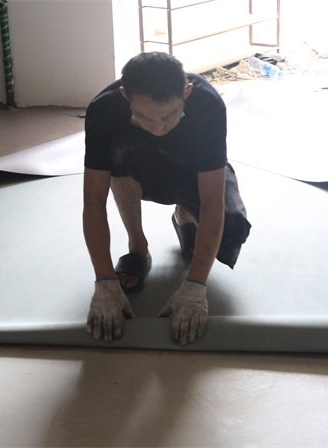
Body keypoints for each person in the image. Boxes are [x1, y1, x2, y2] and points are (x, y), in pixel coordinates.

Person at [83, 52, 251, 346]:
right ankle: (138, 247)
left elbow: (212, 201)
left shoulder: (208, 103)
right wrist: (105, 282)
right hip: (138, 166)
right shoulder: (103, 109)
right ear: (125, 96)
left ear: (187, 93)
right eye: (145, 117)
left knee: (232, 226)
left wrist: (196, 287)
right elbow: (93, 200)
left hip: (192, 169)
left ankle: (184, 214)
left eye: (170, 115)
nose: (158, 127)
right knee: (118, 151)